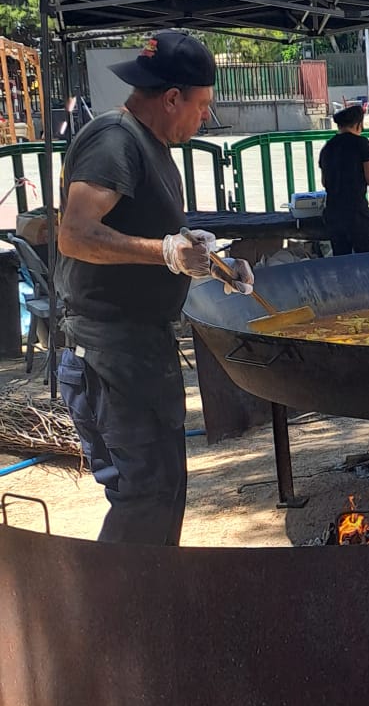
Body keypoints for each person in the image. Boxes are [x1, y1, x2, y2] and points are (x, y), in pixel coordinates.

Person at [56, 29, 253, 545]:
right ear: (171, 98)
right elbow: (75, 234)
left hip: (140, 349)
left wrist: (213, 264)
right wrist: (165, 251)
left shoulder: (152, 145)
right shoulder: (115, 140)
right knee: (143, 496)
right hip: (110, 353)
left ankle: (151, 594)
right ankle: (119, 597)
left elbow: (146, 234)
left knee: (163, 489)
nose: (205, 117)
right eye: (201, 105)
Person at [318, 103, 369, 253]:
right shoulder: (362, 143)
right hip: (356, 209)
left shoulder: (328, 147)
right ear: (358, 124)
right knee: (364, 253)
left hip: (333, 209)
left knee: (340, 255)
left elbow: (324, 181)